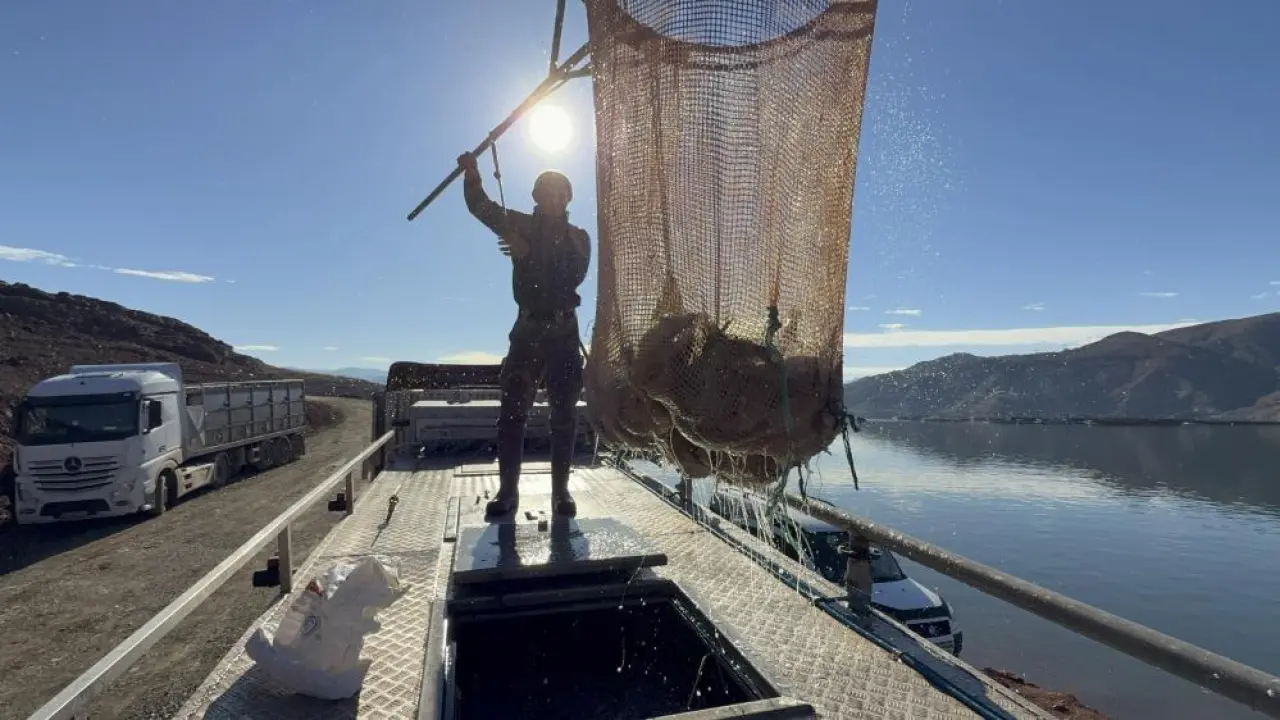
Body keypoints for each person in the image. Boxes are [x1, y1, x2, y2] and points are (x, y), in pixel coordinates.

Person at [457, 151, 591, 518]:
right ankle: (507, 493)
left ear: (569, 199)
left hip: (564, 334)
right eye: (548, 193)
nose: (555, 199)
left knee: (564, 414)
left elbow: (569, 279)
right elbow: (481, 207)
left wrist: (528, 254)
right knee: (512, 412)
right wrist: (472, 174)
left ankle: (561, 493)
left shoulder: (580, 238)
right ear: (536, 197)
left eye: (561, 194)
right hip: (527, 332)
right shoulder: (518, 224)